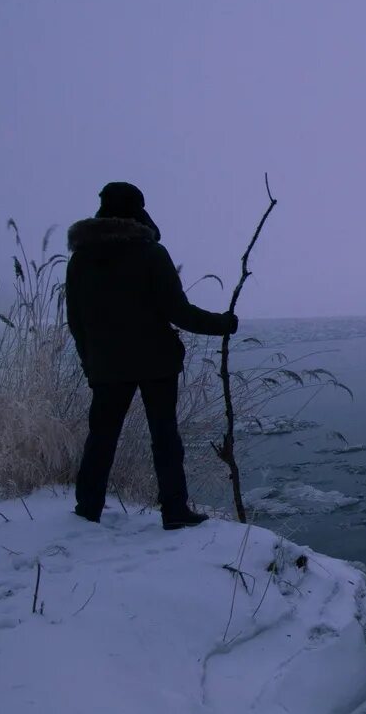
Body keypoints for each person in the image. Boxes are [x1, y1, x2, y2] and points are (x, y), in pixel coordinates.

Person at [64, 181, 237, 530]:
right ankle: (174, 511)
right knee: (165, 437)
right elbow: (179, 312)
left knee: (101, 437)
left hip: (106, 365)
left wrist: (89, 362)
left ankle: (88, 509)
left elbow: (76, 321)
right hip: (156, 362)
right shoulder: (151, 253)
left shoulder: (81, 258)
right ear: (137, 210)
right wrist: (224, 324)